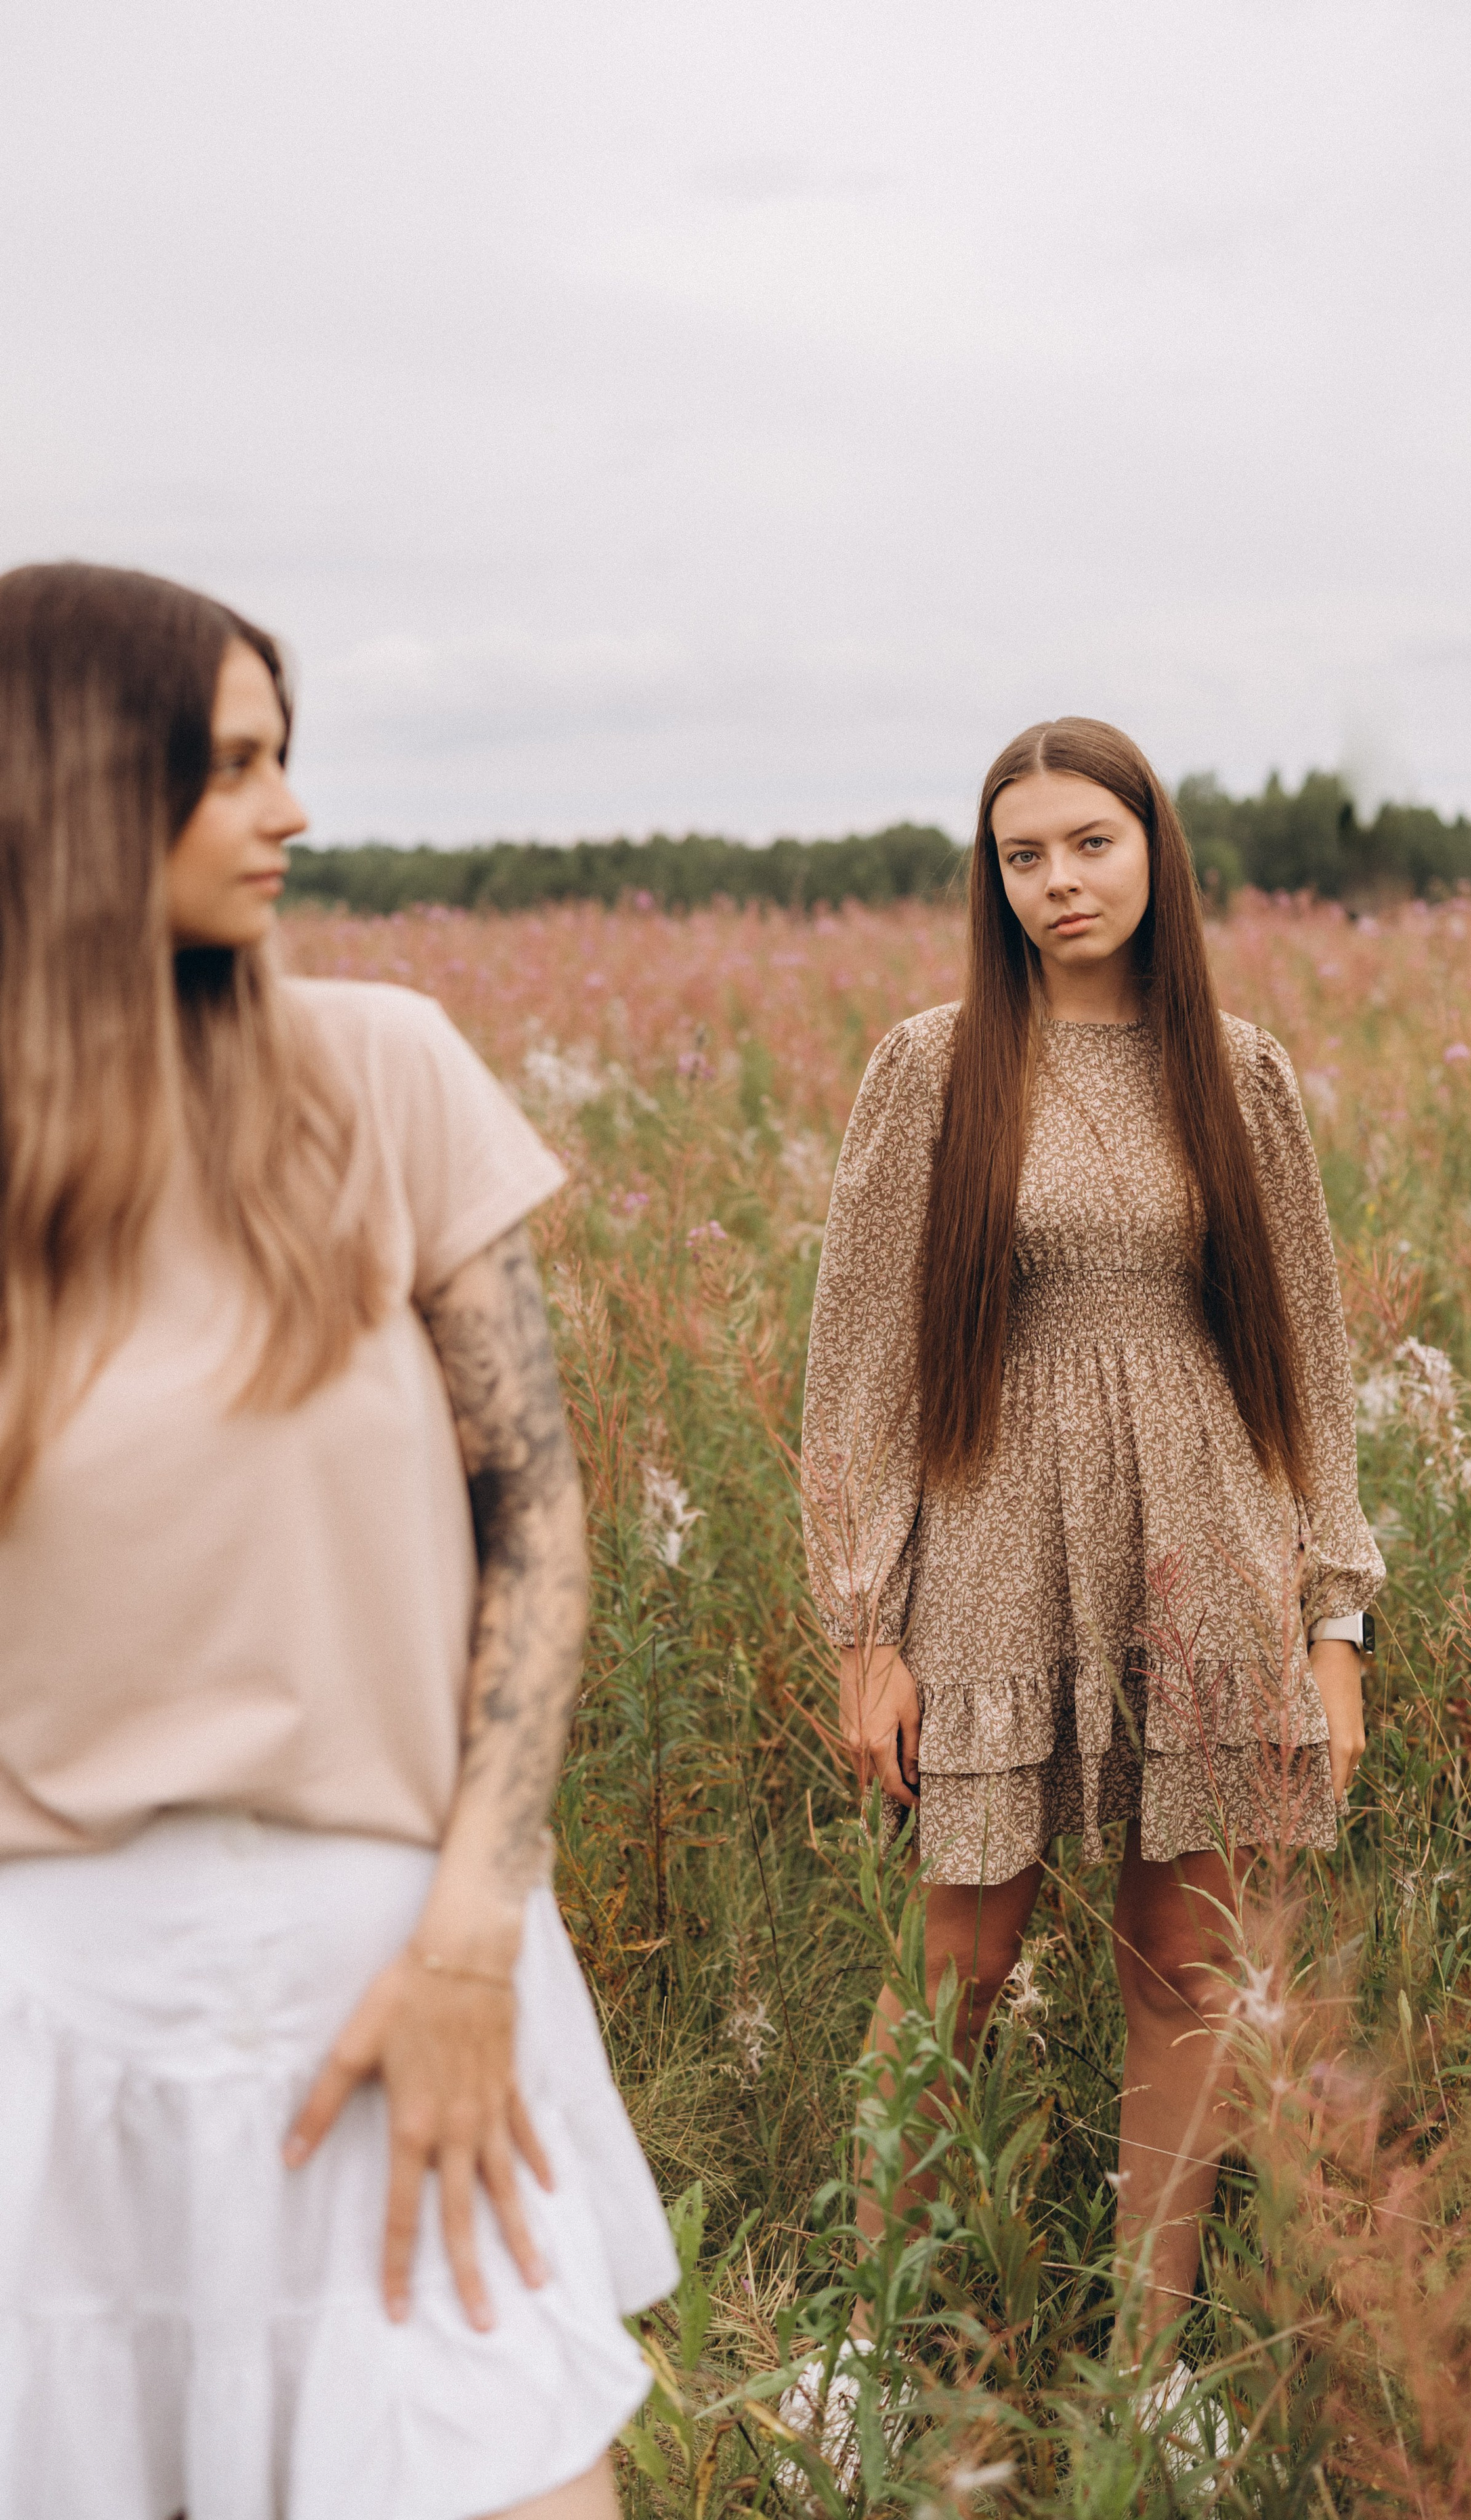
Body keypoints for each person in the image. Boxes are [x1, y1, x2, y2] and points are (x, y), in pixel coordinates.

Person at [0, 563, 676, 2520]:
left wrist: (473, 1940)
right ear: (69, 791)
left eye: (282, 759)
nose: (289, 812)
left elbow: (534, 1510)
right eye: (229, 769)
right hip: (51, 2018)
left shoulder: (380, 1075)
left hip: (400, 1973)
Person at [800, 715, 1382, 2393]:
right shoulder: (932, 1064)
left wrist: (1331, 1624)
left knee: (1181, 1959)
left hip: (1206, 1543)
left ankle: (1152, 2370)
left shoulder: (1238, 1068)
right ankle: (868, 2357)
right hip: (990, 1545)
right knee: (958, 1962)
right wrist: (863, 1623)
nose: (1057, 882)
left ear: (1153, 851)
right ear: (992, 878)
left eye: (1088, 844)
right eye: (1022, 854)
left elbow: (1305, 1360)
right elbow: (856, 1364)